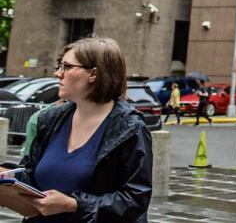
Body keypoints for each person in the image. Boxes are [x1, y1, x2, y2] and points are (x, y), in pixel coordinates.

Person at [18, 37, 152, 221]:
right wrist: (7, 178)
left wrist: (74, 205)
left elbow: (136, 200)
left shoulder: (129, 128)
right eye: (59, 65)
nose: (58, 73)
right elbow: (30, 173)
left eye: (67, 66)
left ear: (93, 74)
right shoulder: (50, 119)